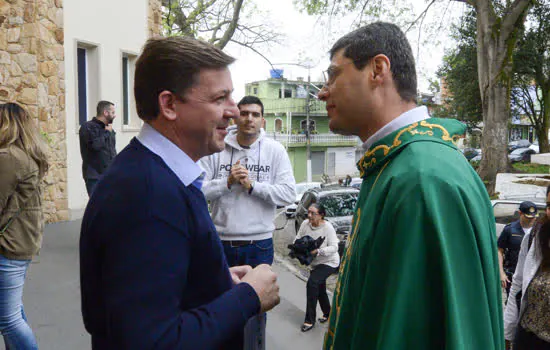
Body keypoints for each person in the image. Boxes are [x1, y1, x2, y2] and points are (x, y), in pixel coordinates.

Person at [79, 36, 280, 349]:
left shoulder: (158, 177)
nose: (234, 111)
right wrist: (248, 297)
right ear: (169, 105)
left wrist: (212, 280)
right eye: (220, 98)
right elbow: (151, 341)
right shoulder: (146, 195)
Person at [317, 22, 503, 349]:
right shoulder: (400, 163)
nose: (323, 91)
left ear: (378, 69)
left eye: (333, 75)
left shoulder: (422, 178)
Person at [200, 95, 295, 349]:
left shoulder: (275, 150)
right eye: (244, 113)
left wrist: (253, 187)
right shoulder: (217, 148)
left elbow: (288, 194)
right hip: (222, 242)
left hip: (259, 244)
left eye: (255, 114)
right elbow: (196, 192)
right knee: (221, 309)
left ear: (262, 120)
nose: (249, 119)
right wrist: (227, 182)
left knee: (255, 311)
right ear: (235, 117)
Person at [0, 103, 49, 349]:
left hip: (8, 246)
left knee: (7, 319)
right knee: (12, 312)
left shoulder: (9, 157)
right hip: (21, 242)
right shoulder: (29, 154)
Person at [504, 186, 550, 350]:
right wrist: (507, 333)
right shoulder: (533, 237)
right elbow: (518, 285)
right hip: (528, 338)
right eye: (549, 205)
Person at [294, 204, 339, 332]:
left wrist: (318, 251)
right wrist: (298, 248)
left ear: (321, 215)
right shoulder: (305, 224)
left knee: (312, 283)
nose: (309, 215)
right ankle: (328, 313)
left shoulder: (328, 228)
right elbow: (297, 239)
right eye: (308, 212)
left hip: (329, 261)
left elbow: (335, 247)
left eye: (313, 213)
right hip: (315, 263)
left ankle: (309, 320)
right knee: (320, 288)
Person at [498, 201, 538, 297]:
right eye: (528, 217)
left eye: (534, 217)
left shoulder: (539, 230)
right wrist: (501, 273)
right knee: (513, 304)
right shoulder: (510, 229)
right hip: (513, 275)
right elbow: (499, 250)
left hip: (533, 276)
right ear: (520, 213)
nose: (532, 219)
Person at [78, 100, 117, 195]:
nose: (114, 115)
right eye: (112, 112)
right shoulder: (88, 127)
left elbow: (112, 152)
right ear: (105, 113)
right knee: (97, 207)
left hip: (109, 176)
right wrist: (107, 133)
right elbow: (96, 146)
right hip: (94, 177)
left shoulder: (109, 129)